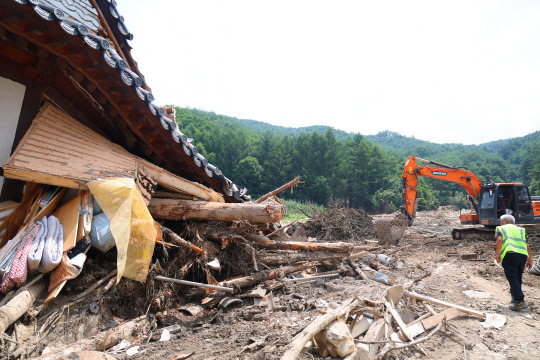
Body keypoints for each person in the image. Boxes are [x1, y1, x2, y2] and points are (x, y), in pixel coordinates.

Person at [495, 214, 533, 311]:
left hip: (510, 254)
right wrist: (529, 259)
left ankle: (520, 301)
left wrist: (497, 254)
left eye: (501, 221)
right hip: (523, 255)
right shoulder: (521, 230)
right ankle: (515, 299)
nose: (500, 223)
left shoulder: (501, 229)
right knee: (517, 277)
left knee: (512, 278)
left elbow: (499, 240)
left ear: (506, 221)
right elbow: (527, 245)